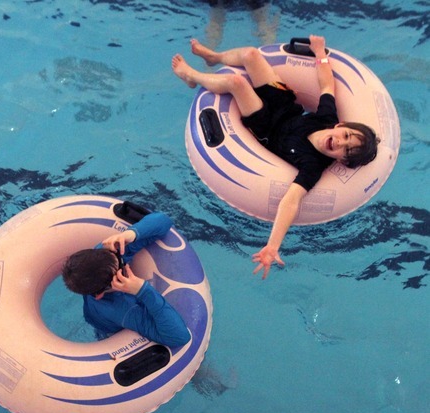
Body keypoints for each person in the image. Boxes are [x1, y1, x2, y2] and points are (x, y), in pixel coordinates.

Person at [172, 34, 379, 279]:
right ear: (340, 125)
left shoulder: (313, 165)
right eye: (345, 136)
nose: (339, 143)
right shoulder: (327, 118)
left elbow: (291, 201)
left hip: (265, 127)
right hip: (284, 106)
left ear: (342, 161)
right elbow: (326, 86)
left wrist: (273, 245)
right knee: (250, 54)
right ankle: (213, 57)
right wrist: (320, 53)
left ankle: (190, 76)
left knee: (236, 83)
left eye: (346, 150)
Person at [62, 211, 191, 347]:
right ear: (100, 294)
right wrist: (143, 290)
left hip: (94, 312)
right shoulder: (123, 309)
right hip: (109, 331)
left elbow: (164, 220)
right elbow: (179, 338)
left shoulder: (107, 258)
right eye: (121, 271)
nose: (123, 263)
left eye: (118, 258)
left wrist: (131, 234)